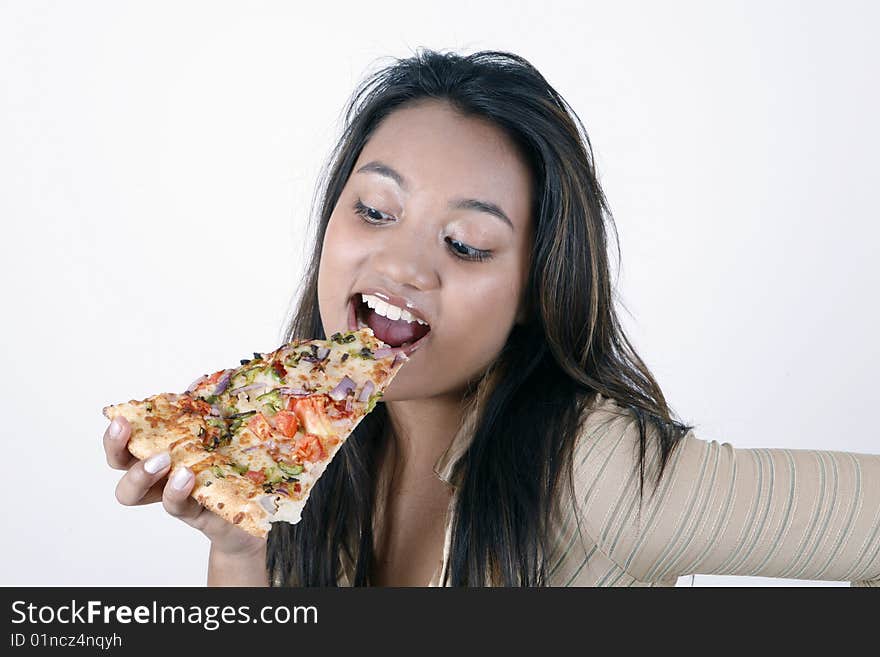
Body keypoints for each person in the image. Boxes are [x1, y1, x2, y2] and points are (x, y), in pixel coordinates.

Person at [102, 49, 880, 587]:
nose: (403, 263)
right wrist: (241, 554)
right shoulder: (314, 451)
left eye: (467, 244)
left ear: (534, 293)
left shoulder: (588, 470)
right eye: (375, 208)